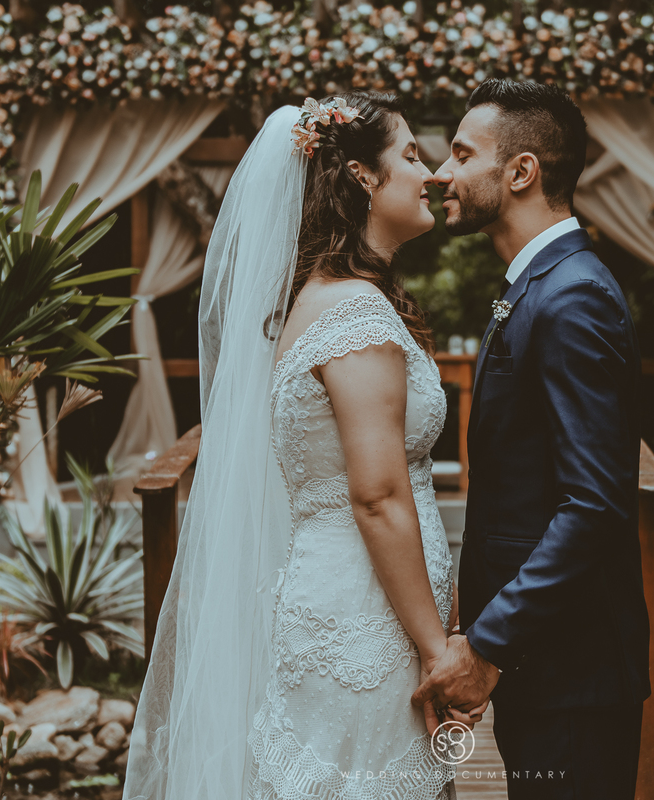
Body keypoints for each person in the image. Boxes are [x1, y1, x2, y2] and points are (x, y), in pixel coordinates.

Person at [122, 92, 484, 800]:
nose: (430, 173)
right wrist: (441, 650)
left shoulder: (318, 298)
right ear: (362, 179)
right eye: (410, 155)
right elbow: (377, 496)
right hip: (367, 627)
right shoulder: (353, 313)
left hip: (346, 604)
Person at [413, 79, 652, 799]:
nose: (439, 174)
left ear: (521, 172)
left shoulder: (572, 295)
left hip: (574, 674)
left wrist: (488, 645)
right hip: (547, 664)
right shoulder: (535, 284)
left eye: (460, 154)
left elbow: (594, 506)